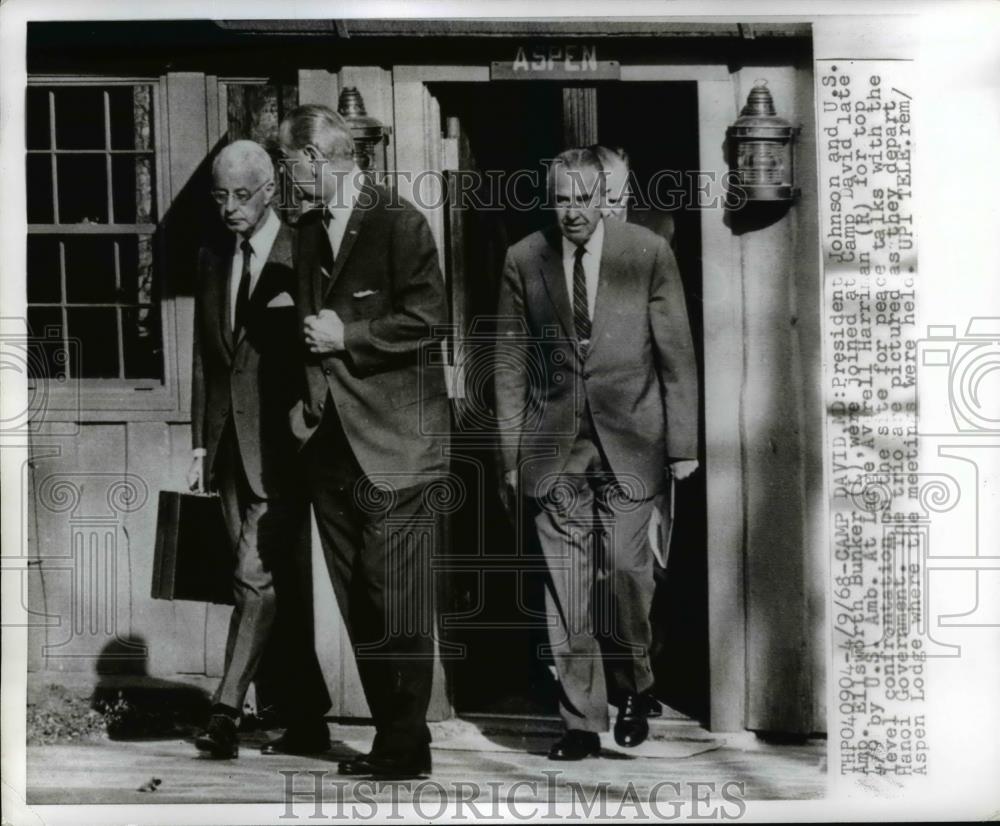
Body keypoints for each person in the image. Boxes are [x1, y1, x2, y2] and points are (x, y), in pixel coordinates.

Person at [495, 147, 699, 761]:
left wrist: (682, 447)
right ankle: (580, 721)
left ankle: (636, 683)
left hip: (633, 441)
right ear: (549, 198)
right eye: (562, 199)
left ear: (605, 198)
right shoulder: (523, 260)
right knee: (567, 587)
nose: (573, 211)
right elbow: (508, 364)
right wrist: (511, 452)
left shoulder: (646, 253)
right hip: (553, 447)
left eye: (585, 199)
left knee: (630, 572)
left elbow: (676, 355)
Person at [276, 104, 450, 779]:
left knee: (393, 594)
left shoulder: (399, 221)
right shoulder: (308, 230)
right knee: (356, 595)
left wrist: (346, 337)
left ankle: (404, 742)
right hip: (330, 445)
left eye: (293, 168)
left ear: (318, 158)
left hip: (398, 444)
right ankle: (398, 740)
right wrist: (304, 403)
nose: (292, 182)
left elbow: (429, 321)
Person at [188, 139, 331, 759]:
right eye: (219, 196)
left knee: (254, 575)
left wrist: (311, 419)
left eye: (241, 196)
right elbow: (206, 360)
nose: (229, 208)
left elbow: (319, 346)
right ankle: (307, 717)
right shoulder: (211, 256)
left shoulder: (305, 249)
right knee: (269, 587)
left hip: (281, 446)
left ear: (270, 190)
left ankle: (224, 711)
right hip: (224, 448)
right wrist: (198, 444)